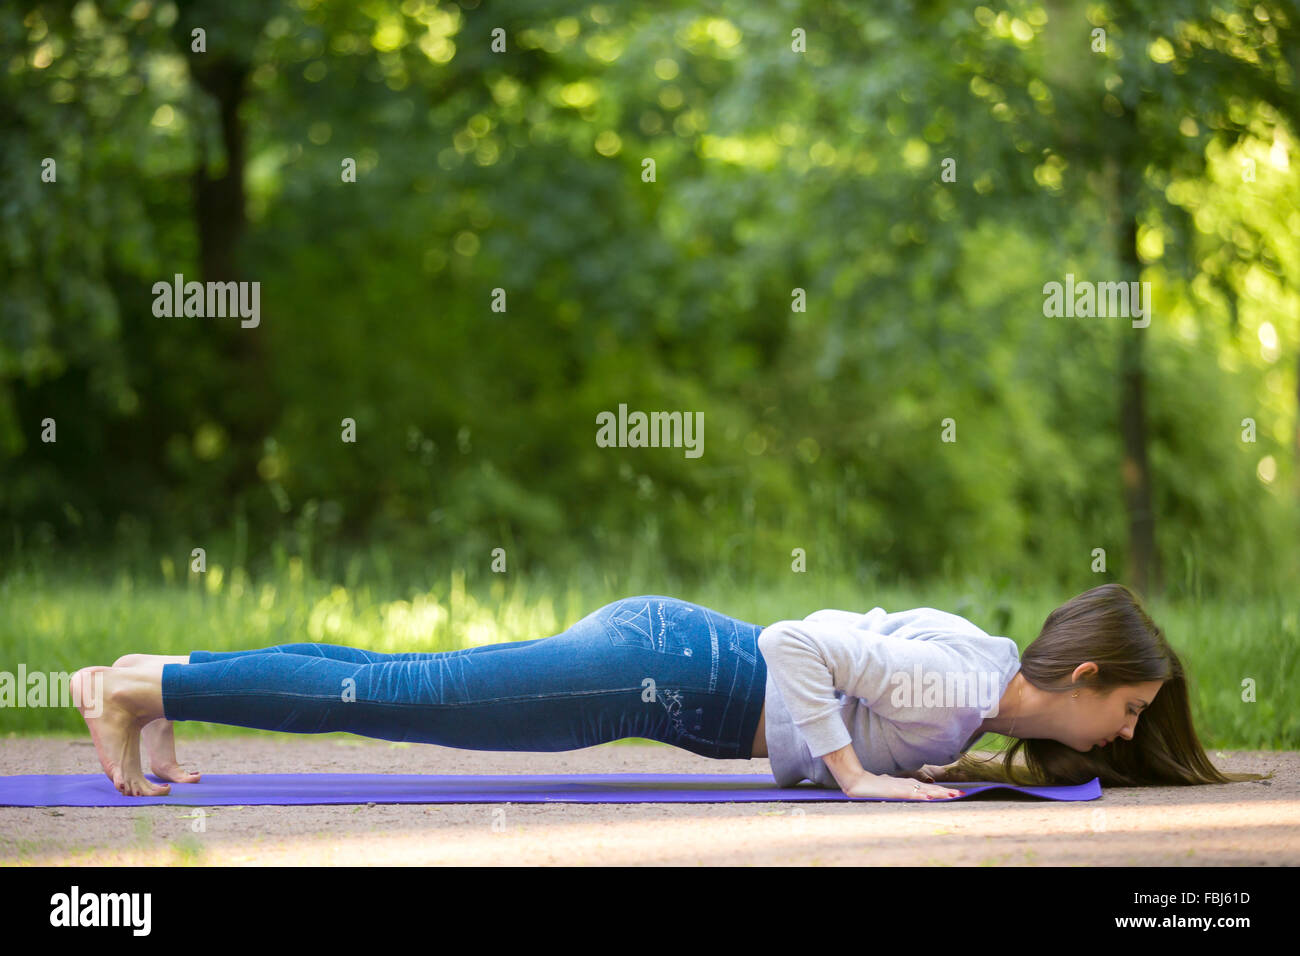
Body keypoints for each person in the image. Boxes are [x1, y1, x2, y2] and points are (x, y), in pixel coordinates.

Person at [70, 583, 1265, 798]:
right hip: (676, 671)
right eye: (1132, 711)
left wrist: (915, 766)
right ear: (1090, 674)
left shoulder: (975, 694)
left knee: (404, 685)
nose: (1125, 733)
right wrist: (857, 780)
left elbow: (843, 673)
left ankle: (152, 678)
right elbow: (797, 641)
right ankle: (149, 682)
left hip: (671, 667)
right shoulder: (966, 673)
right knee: (410, 691)